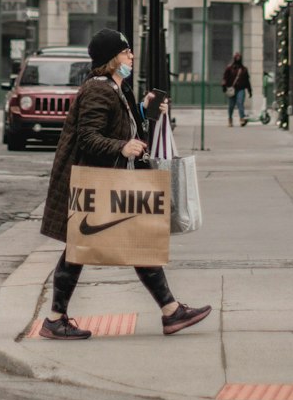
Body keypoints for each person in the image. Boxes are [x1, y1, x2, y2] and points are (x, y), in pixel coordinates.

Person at [39, 27, 212, 341]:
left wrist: (146, 110)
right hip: (95, 182)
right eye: (125, 52)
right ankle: (55, 319)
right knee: (81, 246)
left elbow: (125, 127)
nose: (131, 56)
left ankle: (171, 311)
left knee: (133, 240)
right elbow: (89, 137)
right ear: (110, 58)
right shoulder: (97, 89)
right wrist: (121, 146)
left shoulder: (119, 88)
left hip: (111, 181)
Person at [221, 52, 252, 127]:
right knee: (231, 105)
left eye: (239, 57)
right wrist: (224, 87)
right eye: (236, 57)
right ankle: (230, 119)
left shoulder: (244, 69)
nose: (238, 59)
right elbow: (225, 78)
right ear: (234, 59)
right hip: (232, 89)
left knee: (240, 103)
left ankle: (242, 118)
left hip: (241, 89)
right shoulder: (229, 68)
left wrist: (249, 90)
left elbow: (247, 81)